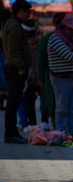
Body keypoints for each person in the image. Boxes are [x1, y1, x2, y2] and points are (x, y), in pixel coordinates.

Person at [2, 0, 32, 144]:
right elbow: (14, 49)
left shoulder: (13, 24)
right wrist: (21, 67)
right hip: (15, 69)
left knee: (14, 102)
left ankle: (12, 132)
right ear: (21, 12)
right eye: (28, 12)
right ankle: (10, 133)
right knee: (13, 102)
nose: (29, 16)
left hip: (13, 67)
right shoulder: (14, 26)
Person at [37, 13, 66, 128]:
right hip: (51, 74)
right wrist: (40, 77)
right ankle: (53, 125)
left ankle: (58, 126)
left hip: (58, 75)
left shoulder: (72, 38)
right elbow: (41, 58)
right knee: (51, 100)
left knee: (55, 100)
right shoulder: (50, 38)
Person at [17, 18, 42, 130]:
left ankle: (25, 123)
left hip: (25, 75)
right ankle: (36, 123)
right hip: (37, 76)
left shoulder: (22, 44)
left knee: (25, 100)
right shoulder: (40, 43)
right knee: (35, 100)